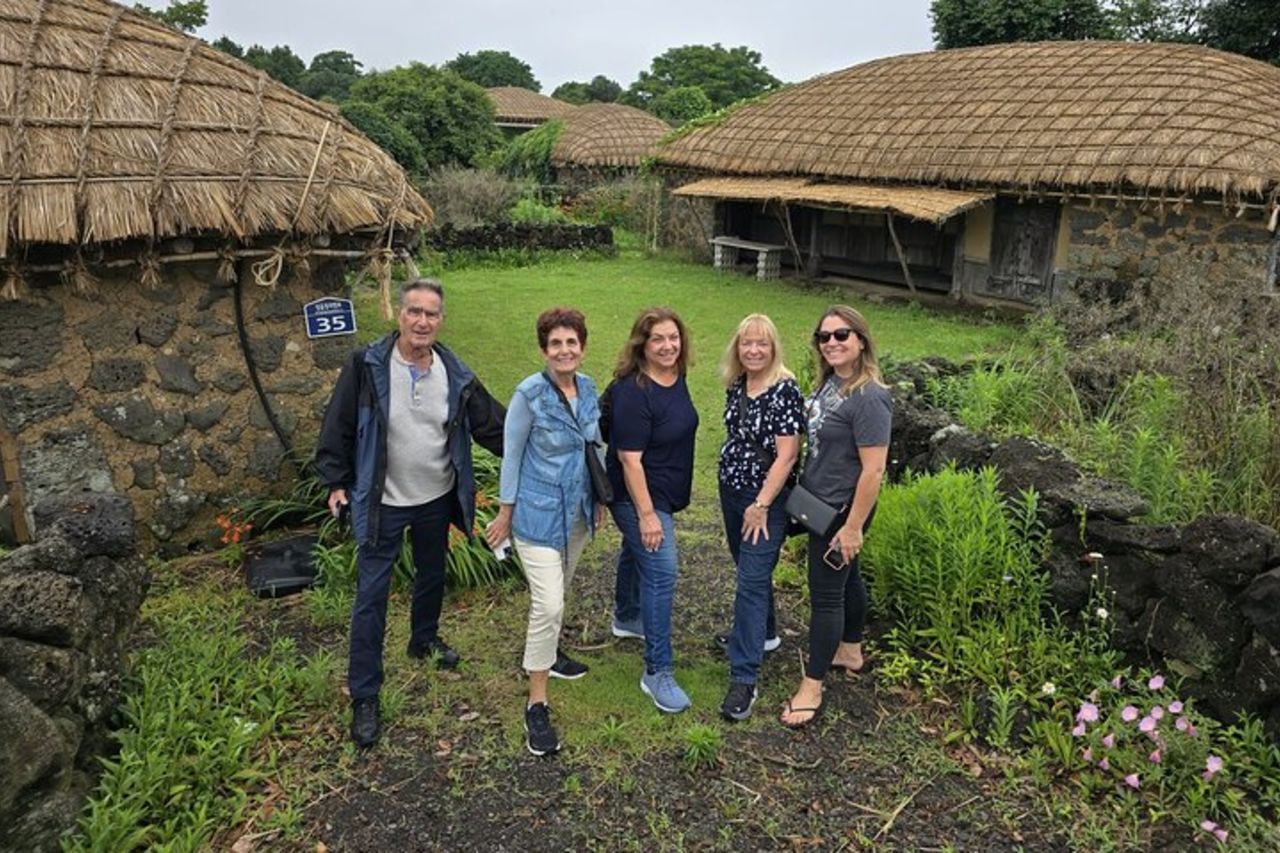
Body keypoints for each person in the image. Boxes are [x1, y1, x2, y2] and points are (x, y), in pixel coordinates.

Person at [315, 278, 505, 748]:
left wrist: (540, 449)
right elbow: (338, 424)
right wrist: (336, 482)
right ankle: (365, 695)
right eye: (414, 311)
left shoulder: (453, 371)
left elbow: (493, 426)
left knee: (432, 574)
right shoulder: (368, 365)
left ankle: (423, 641)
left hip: (435, 498)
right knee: (371, 596)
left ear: (441, 321)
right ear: (398, 315)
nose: (422, 321)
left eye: (432, 314)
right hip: (383, 502)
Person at [485, 307, 605, 756]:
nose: (565, 350)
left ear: (582, 347)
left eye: (572, 342)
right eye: (555, 343)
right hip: (536, 516)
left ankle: (550, 655)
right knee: (549, 602)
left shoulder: (589, 389)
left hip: (576, 512)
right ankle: (537, 704)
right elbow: (512, 455)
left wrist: (598, 499)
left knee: (560, 593)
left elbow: (594, 445)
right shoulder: (529, 395)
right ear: (544, 350)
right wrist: (504, 513)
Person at [780, 305, 891, 729]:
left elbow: (874, 470)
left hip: (842, 510)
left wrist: (852, 527)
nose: (831, 343)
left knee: (825, 594)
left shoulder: (870, 397)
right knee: (850, 577)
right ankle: (850, 649)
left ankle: (812, 685)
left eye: (841, 335)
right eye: (823, 337)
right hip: (822, 502)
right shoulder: (833, 383)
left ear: (861, 340)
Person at [607, 307, 699, 713]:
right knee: (662, 571)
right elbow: (629, 459)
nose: (667, 345)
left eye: (673, 337)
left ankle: (627, 616)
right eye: (658, 339)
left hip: (663, 489)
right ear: (641, 344)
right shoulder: (634, 391)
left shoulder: (676, 377)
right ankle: (657, 672)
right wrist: (646, 515)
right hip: (636, 495)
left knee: (638, 551)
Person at [715, 314, 803, 721]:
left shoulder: (784, 389)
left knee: (750, 582)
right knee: (749, 569)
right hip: (732, 492)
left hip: (762, 500)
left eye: (761, 344)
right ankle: (764, 634)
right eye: (746, 343)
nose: (753, 350)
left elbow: (787, 455)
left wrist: (762, 503)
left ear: (773, 348)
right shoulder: (738, 385)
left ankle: (744, 677)